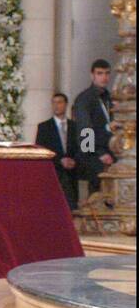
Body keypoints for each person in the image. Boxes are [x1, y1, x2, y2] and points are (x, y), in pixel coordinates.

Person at [73, 58, 115, 196]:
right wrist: (99, 154)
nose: (104, 77)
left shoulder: (109, 98)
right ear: (92, 75)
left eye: (107, 73)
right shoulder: (84, 99)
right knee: (97, 198)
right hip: (94, 158)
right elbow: (85, 131)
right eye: (100, 73)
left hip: (112, 154)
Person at [35, 92, 81, 209]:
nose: (56, 106)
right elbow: (41, 151)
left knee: (72, 206)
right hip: (55, 173)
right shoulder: (44, 127)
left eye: (59, 102)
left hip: (72, 175)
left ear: (65, 105)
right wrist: (60, 161)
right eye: (54, 103)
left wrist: (74, 161)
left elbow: (84, 148)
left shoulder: (76, 126)